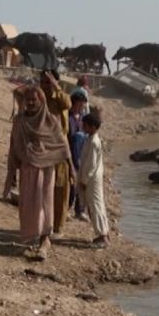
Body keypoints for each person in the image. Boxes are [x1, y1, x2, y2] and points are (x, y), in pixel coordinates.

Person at [8, 85, 71, 260]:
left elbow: (62, 146)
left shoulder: (51, 120)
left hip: (46, 170)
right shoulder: (19, 121)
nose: (30, 102)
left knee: (44, 203)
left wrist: (70, 170)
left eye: (33, 99)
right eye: (27, 99)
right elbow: (14, 145)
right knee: (28, 205)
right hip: (28, 169)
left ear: (41, 101)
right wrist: (12, 171)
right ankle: (33, 238)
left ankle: (45, 240)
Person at [39, 70, 72, 235]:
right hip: (42, 148)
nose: (45, 85)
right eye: (43, 82)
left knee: (60, 187)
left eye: (48, 82)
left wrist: (55, 87)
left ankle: (58, 226)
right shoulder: (37, 98)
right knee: (42, 188)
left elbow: (68, 104)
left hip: (59, 147)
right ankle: (43, 225)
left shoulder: (60, 98)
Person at [78, 113, 109, 248]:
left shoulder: (94, 141)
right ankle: (103, 233)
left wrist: (84, 180)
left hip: (91, 179)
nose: (83, 127)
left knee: (95, 206)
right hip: (92, 177)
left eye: (85, 125)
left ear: (92, 127)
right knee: (97, 205)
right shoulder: (90, 139)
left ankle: (103, 236)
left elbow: (90, 164)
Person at [68, 91, 89, 220]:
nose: (82, 106)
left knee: (82, 184)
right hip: (69, 154)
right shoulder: (67, 116)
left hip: (82, 154)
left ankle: (80, 210)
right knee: (71, 185)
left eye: (83, 104)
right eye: (80, 104)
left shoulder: (83, 118)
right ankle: (66, 208)